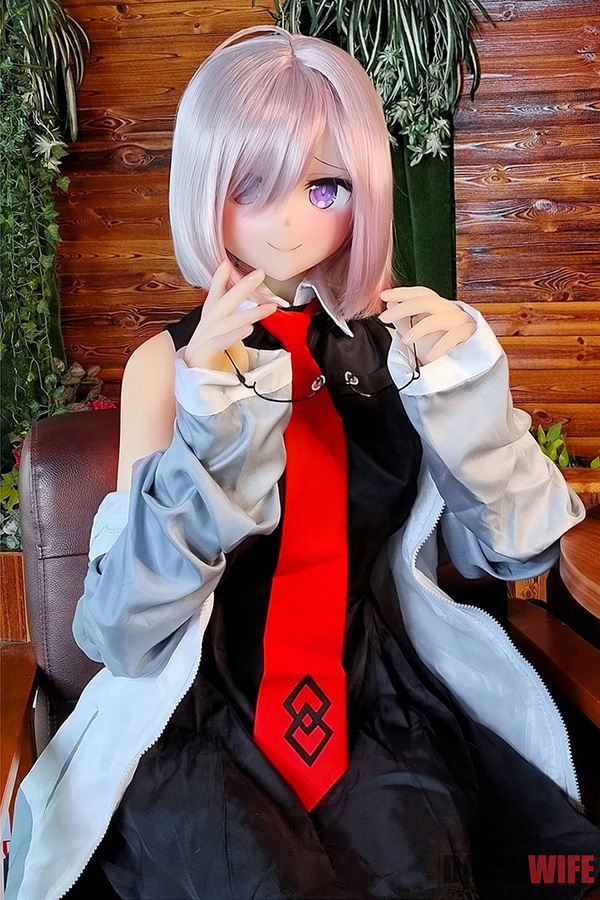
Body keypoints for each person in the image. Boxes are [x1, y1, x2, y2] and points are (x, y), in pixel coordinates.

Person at [7, 25, 600, 900]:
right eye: (251, 185)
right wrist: (215, 426)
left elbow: (512, 553)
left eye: (325, 187)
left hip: (375, 700)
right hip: (200, 706)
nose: (288, 219)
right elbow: (121, 627)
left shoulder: (407, 350)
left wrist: (469, 394)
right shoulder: (167, 369)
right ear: (205, 185)